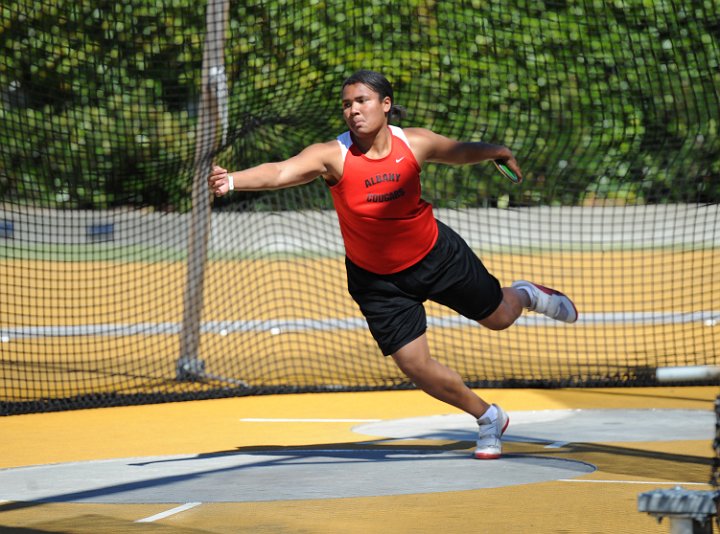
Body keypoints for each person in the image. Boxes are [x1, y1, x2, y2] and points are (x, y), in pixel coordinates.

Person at [208, 69, 578, 459]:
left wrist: (496, 151)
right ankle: (488, 418)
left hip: (437, 257)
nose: (353, 110)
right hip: (377, 281)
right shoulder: (332, 155)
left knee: (499, 318)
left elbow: (458, 152)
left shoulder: (414, 142)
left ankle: (525, 294)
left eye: (361, 101)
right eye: (347, 104)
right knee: (414, 365)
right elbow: (281, 171)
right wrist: (232, 180)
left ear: (385, 105)